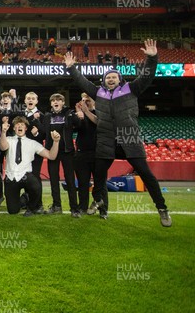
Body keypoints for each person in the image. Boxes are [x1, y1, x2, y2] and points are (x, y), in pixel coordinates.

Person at [64, 39, 172, 227]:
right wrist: (72, 68)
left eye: (114, 77)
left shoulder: (131, 89)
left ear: (119, 78)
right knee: (98, 174)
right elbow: (82, 82)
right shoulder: (98, 93)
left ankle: (162, 208)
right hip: (106, 140)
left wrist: (152, 58)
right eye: (108, 77)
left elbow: (147, 76)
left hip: (129, 138)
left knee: (146, 174)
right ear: (104, 80)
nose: (111, 79)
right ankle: (98, 200)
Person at [0, 116, 60, 216]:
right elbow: (3, 147)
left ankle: (31, 208)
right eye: (17, 125)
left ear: (26, 128)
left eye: (22, 125)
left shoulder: (32, 143)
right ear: (14, 128)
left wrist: (56, 142)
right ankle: (25, 198)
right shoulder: (8, 139)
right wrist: (3, 132)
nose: (20, 126)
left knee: (36, 185)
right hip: (11, 177)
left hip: (26, 175)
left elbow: (51, 156)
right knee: (13, 211)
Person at [73, 93, 101, 215]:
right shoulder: (80, 115)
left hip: (98, 153)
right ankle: (83, 208)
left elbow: (98, 123)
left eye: (88, 100)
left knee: (100, 184)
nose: (85, 102)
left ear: (94, 101)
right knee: (83, 183)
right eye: (83, 100)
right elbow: (76, 128)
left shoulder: (100, 113)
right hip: (81, 153)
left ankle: (102, 209)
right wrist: (78, 115)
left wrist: (85, 112)